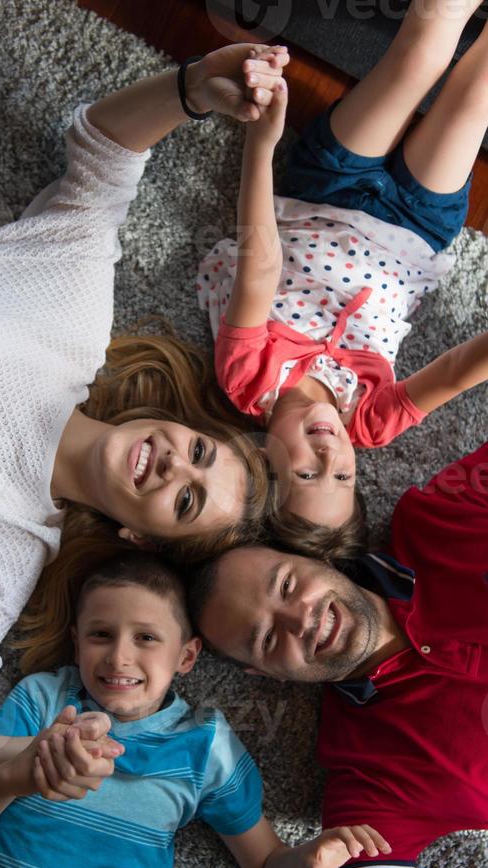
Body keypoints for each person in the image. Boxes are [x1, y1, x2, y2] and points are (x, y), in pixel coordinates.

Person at [0, 42, 286, 795]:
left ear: (139, 538)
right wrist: (191, 89)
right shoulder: (69, 321)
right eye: (200, 455)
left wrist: (27, 757)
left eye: (185, 502)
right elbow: (106, 151)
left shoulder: (0, 556)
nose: (177, 466)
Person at [0, 553, 391, 868]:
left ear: (186, 655)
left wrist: (306, 862)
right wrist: (17, 774)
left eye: (146, 638)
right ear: (76, 643)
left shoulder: (205, 746)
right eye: (100, 635)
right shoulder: (43, 701)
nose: (119, 657)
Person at [197, 0, 488, 558]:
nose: (331, 460)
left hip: (323, 189)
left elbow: (259, 266)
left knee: (422, 46)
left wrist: (262, 146)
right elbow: (454, 372)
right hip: (417, 228)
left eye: (308, 477)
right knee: (476, 103)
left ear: (262, 460)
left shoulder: (249, 380)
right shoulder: (369, 423)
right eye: (344, 479)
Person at [187, 439, 488, 868]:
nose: (298, 619)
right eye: (266, 639)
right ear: (265, 675)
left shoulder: (438, 517)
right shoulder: (366, 780)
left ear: (309, 556)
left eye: (286, 584)